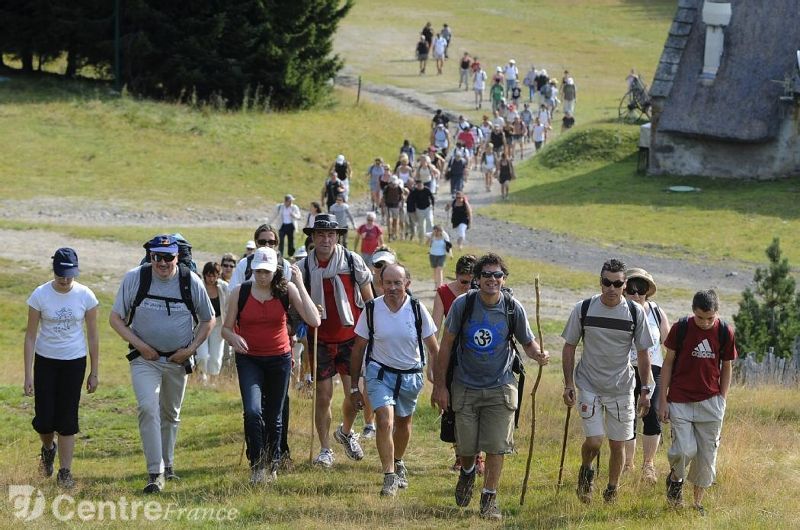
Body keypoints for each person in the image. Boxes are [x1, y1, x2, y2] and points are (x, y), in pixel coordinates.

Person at [433, 253, 549, 521]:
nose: (492, 280)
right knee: (466, 445)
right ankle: (467, 472)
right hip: (465, 385)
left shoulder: (512, 307)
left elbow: (527, 343)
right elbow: (446, 344)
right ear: (477, 278)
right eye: (486, 275)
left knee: (497, 446)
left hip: (501, 386)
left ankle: (489, 497)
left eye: (497, 275)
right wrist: (440, 386)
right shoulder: (463, 305)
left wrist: (538, 354)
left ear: (503, 278)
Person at [109, 235, 215, 493]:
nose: (163, 263)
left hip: (178, 360)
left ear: (177, 257)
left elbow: (208, 319)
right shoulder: (136, 278)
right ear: (150, 257)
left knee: (171, 413)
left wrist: (190, 350)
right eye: (157, 257)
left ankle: (168, 466)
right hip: (145, 359)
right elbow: (115, 318)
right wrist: (142, 346)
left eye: (168, 257)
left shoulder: (190, 281)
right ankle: (155, 473)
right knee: (148, 408)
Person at [222, 247, 320, 484]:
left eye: (266, 271)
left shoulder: (287, 289)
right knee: (253, 411)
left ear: (275, 270)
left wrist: (300, 284)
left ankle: (273, 463)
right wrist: (234, 338)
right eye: (258, 271)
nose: (262, 276)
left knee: (275, 415)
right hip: (249, 359)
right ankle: (257, 465)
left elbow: (314, 319)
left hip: (279, 358)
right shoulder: (240, 292)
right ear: (252, 269)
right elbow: (225, 328)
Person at [561, 259, 655, 504]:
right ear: (600, 282)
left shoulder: (635, 312)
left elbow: (644, 353)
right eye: (606, 282)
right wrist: (568, 384)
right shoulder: (583, 309)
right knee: (594, 441)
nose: (611, 288)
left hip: (622, 387)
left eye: (617, 283)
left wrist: (645, 389)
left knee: (617, 444)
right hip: (589, 383)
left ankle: (612, 489)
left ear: (624, 285)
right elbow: (569, 346)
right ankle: (586, 470)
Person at [350, 263, 439, 496]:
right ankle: (389, 475)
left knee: (403, 424)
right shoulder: (371, 309)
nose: (392, 287)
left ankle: (398, 461)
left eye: (397, 283)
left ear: (406, 284)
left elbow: (434, 348)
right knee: (384, 421)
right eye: (387, 282)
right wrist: (353, 387)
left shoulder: (418, 309)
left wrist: (439, 382)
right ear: (380, 284)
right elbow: (358, 348)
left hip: (410, 375)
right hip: (379, 374)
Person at [297, 214, 374, 468]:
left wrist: (372, 332)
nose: (326, 239)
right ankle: (325, 449)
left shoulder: (352, 261)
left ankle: (345, 431)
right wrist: (309, 311)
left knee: (357, 395)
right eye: (321, 234)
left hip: (351, 338)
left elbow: (370, 302)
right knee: (323, 396)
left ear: (338, 237)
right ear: (313, 237)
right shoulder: (303, 268)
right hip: (320, 338)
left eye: (331, 235)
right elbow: (295, 306)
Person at [24, 248, 99, 489]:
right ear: (53, 270)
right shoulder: (40, 295)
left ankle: (65, 471)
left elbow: (94, 336)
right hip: (46, 361)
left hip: (74, 361)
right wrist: (28, 374)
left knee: (67, 417)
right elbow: (30, 336)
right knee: (45, 420)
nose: (65, 280)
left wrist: (94, 371)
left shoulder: (86, 296)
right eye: (60, 275)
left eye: (69, 275)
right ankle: (48, 449)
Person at [658, 289, 737, 515]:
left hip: (711, 403)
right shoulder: (680, 328)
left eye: (710, 318)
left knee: (706, 457)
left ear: (717, 313)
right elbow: (668, 364)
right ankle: (675, 479)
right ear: (693, 312)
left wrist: (722, 399)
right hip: (680, 401)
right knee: (684, 451)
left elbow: (727, 366)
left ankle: (696, 503)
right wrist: (662, 400)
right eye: (700, 317)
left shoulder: (724, 331)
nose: (705, 323)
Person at [621, 268, 670, 484]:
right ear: (624, 291)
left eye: (641, 289)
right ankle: (627, 464)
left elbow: (669, 343)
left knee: (653, 414)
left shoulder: (657, 312)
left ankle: (648, 464)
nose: (636, 294)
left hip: (654, 369)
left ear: (647, 292)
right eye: (631, 289)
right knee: (627, 414)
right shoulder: (618, 311)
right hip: (626, 368)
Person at [195, 262, 229, 385]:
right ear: (204, 275)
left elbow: (228, 306)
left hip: (219, 323)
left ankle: (213, 380)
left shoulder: (224, 287)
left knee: (216, 356)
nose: (211, 279)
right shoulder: (199, 286)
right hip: (202, 323)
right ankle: (201, 376)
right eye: (209, 276)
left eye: (214, 275)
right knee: (202, 355)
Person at [408, 179, 435, 243]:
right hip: (419, 209)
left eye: (420, 185)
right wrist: (413, 211)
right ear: (416, 186)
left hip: (427, 208)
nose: (419, 186)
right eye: (418, 185)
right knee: (421, 225)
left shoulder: (427, 190)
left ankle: (431, 239)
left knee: (430, 221)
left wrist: (433, 206)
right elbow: (411, 201)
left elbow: (432, 197)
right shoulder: (414, 192)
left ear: (423, 185)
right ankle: (421, 240)